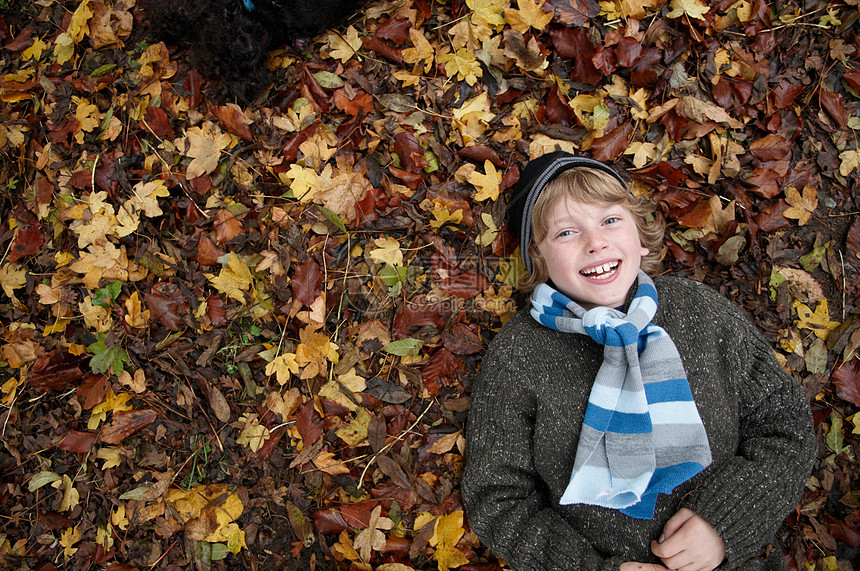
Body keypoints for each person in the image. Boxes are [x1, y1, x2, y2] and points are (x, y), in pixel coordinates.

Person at [461, 151, 816, 570]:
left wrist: (725, 522)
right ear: (537, 260)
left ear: (640, 235)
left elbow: (784, 422)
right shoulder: (518, 356)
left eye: (610, 221)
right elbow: (497, 497)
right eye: (566, 233)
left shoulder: (701, 312)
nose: (596, 243)